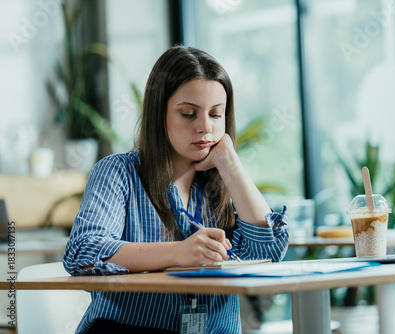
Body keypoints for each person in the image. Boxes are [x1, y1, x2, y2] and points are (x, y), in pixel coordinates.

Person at [63, 45, 289, 334]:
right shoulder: (118, 172)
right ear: (160, 114)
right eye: (188, 114)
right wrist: (178, 253)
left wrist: (230, 164)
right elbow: (83, 251)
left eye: (216, 114)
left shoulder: (223, 181)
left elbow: (267, 252)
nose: (205, 127)